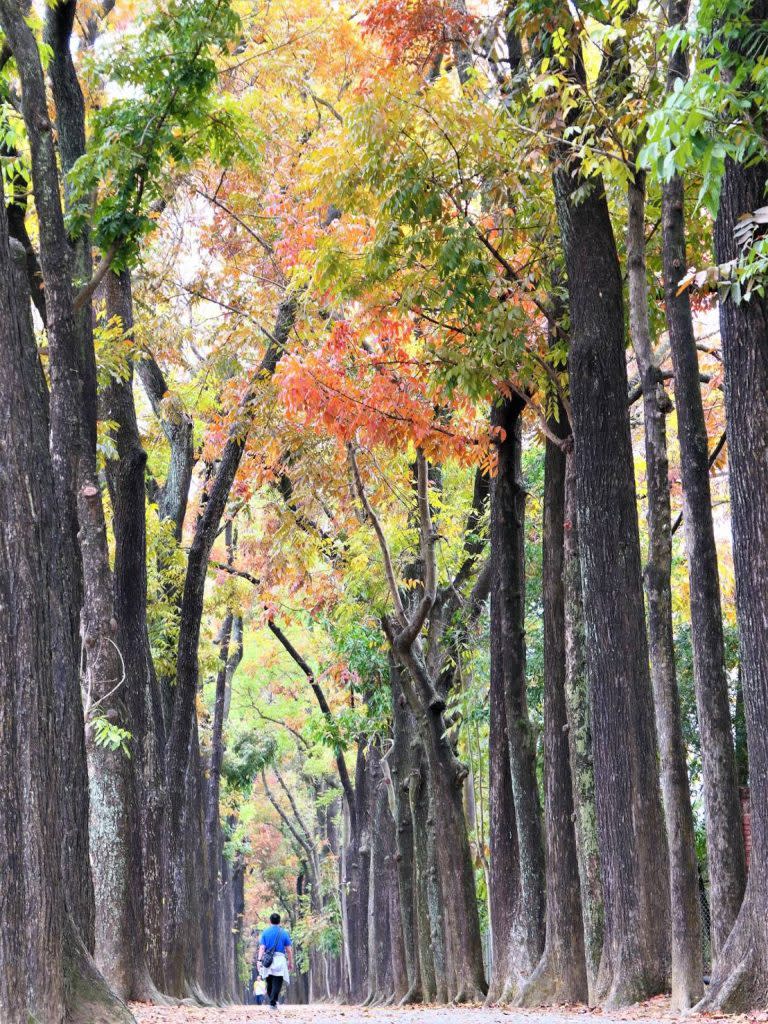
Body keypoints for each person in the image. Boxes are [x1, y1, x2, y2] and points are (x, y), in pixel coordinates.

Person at [257, 912, 293, 1008]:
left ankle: (273, 1001)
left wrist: (259, 960)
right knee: (278, 981)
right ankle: (273, 1001)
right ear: (279, 921)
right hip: (280, 959)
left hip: (268, 959)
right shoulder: (284, 933)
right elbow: (289, 950)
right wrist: (290, 962)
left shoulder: (265, 932)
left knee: (269, 981)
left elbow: (262, 948)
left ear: (270, 921)